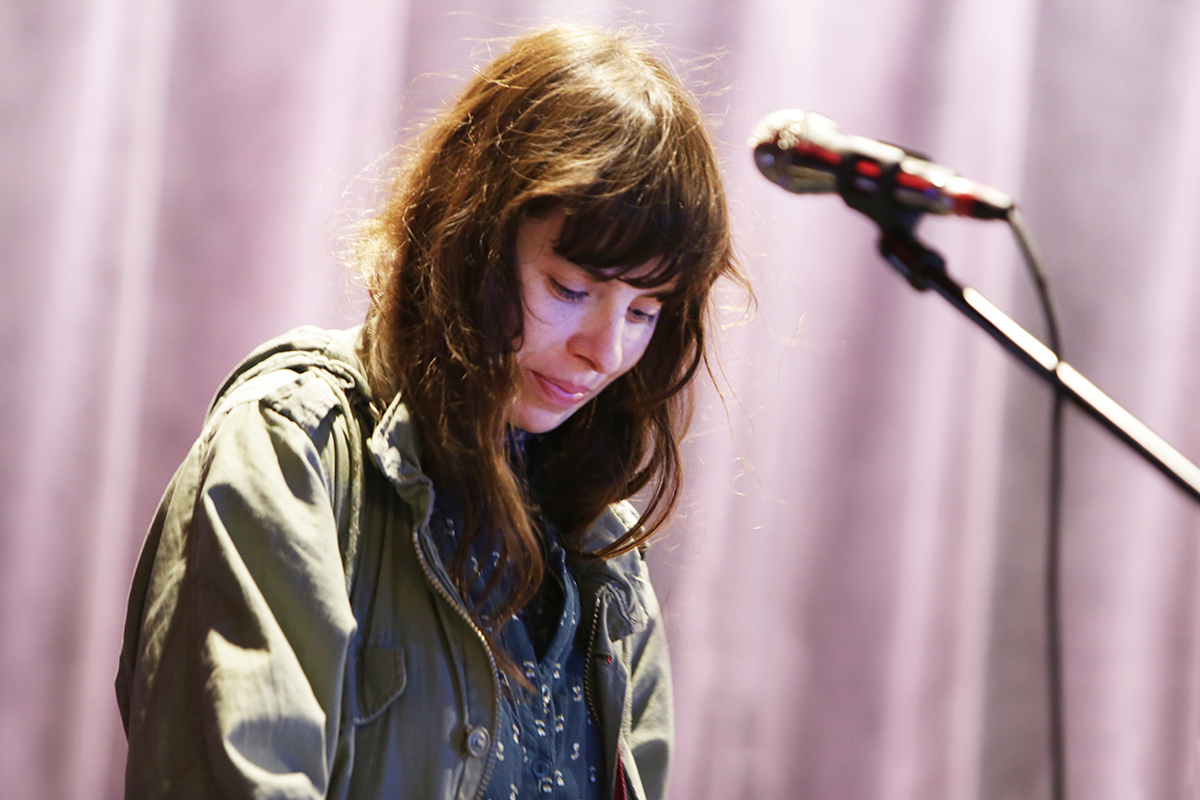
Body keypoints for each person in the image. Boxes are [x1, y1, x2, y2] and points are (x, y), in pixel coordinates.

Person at [116, 23, 739, 800]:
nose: (606, 351)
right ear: (469, 235)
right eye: (572, 290)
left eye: (646, 309)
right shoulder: (294, 446)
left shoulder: (604, 553)